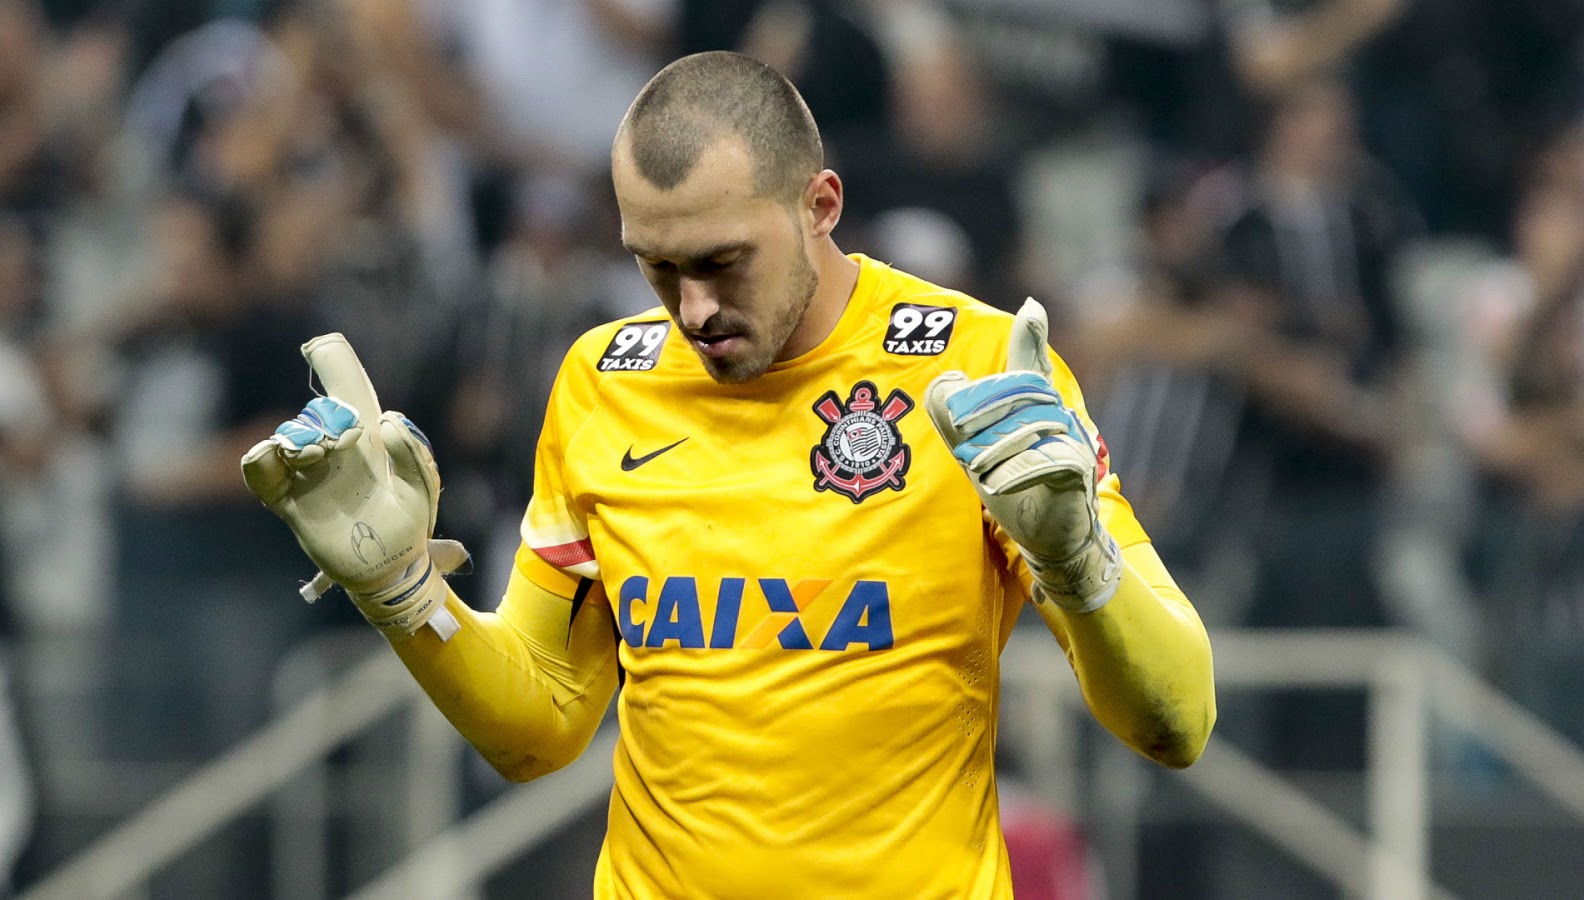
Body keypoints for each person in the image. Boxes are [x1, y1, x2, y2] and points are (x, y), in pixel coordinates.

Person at [242, 52, 1215, 898]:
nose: (694, 308)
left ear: (820, 205)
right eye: (657, 266)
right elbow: (538, 727)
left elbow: (1179, 724)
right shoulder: (603, 383)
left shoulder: (979, 370)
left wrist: (1077, 561)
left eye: (722, 261)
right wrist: (404, 591)